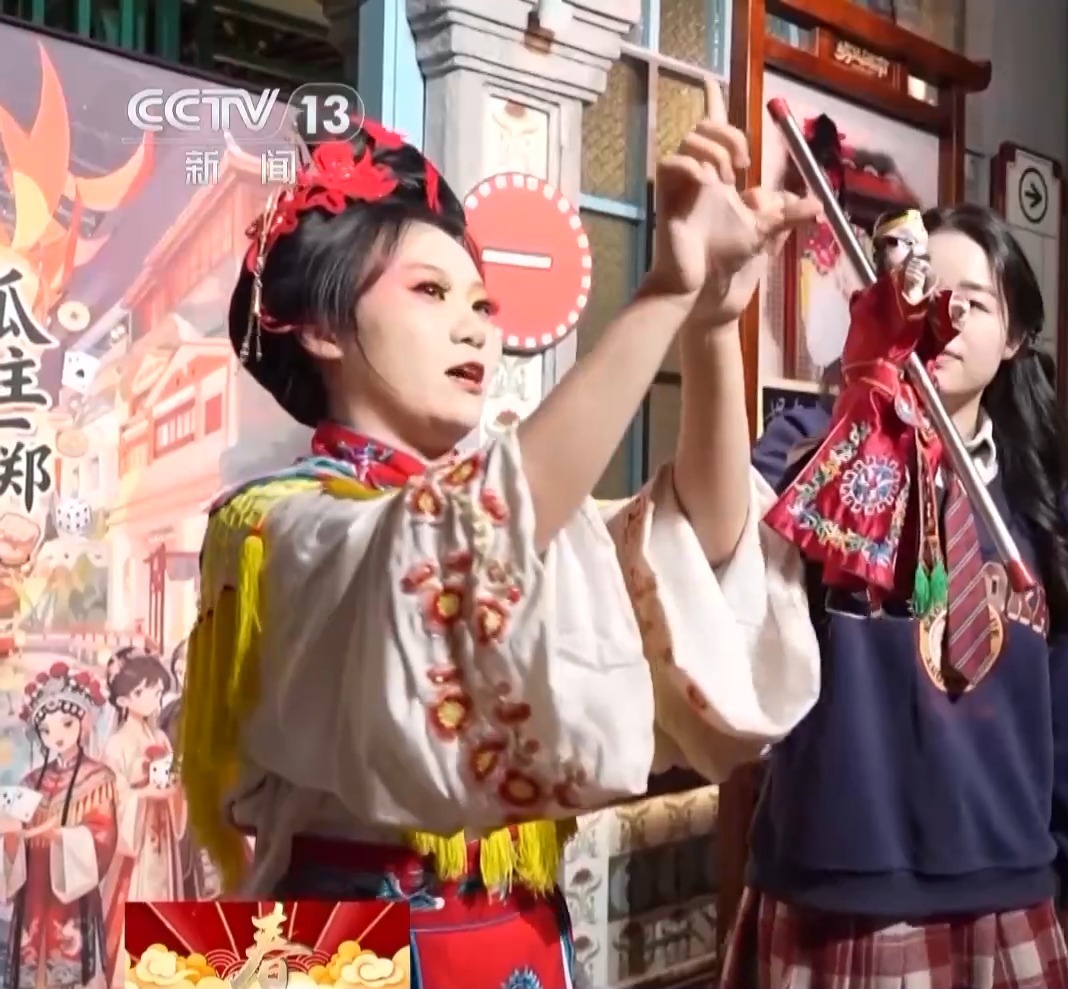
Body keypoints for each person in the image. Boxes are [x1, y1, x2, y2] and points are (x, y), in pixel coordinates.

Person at [176, 81, 825, 989]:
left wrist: (711, 323)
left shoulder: (505, 515)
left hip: (520, 943)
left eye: (482, 305)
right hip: (341, 953)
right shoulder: (273, 525)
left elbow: (695, 558)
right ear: (321, 327)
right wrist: (662, 294)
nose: (473, 327)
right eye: (431, 291)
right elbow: (447, 552)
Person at [722, 203, 1068, 989]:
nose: (946, 315)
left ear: (1013, 338)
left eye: (974, 302)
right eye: (923, 288)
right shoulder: (809, 450)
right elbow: (719, 544)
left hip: (1006, 887)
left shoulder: (1039, 504)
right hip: (834, 888)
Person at [2, 663, 120, 989]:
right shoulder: (30, 781)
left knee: (70, 969)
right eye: (46, 729)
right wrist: (10, 838)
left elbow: (103, 837)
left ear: (84, 722)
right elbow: (15, 842)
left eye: (66, 724)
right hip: (32, 888)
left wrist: (62, 838)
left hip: (70, 888)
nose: (57, 736)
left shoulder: (98, 778)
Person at [102, 649, 189, 904]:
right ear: (123, 701)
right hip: (136, 835)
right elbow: (111, 799)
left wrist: (177, 783)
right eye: (142, 692)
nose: (154, 698)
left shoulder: (159, 737)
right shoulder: (116, 745)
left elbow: (174, 777)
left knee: (164, 889)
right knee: (136, 894)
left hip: (163, 827)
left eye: (157, 692)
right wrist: (143, 794)